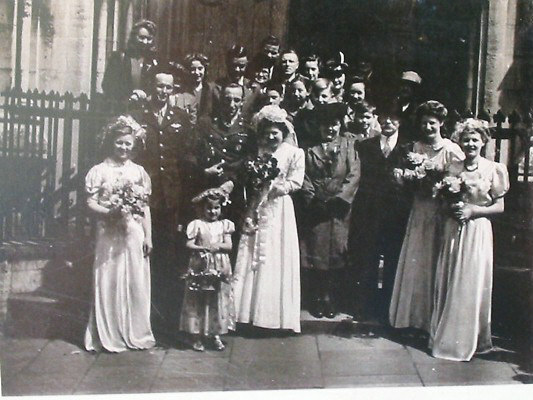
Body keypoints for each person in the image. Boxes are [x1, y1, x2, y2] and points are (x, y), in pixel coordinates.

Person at [429, 118, 509, 361]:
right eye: (466, 140)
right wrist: (451, 205)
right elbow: (442, 200)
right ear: (460, 143)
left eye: (475, 139)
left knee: (471, 281)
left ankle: (470, 339)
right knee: (452, 277)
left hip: (477, 230)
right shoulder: (454, 168)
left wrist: (473, 211)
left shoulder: (493, 169)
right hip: (454, 228)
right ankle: (446, 336)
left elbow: (500, 207)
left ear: (483, 141)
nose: (471, 143)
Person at [389, 101, 464, 333]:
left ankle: (435, 319)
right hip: (420, 209)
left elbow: (461, 181)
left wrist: (444, 184)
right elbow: (404, 181)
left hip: (441, 211)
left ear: (441, 123)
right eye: (424, 123)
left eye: (432, 123)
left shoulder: (451, 150)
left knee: (438, 260)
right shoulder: (415, 148)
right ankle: (414, 318)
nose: (428, 127)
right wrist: (407, 176)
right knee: (418, 260)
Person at [131, 64, 194, 334]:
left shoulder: (181, 117)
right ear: (151, 87)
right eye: (159, 86)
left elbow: (186, 158)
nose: (163, 92)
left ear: (173, 90)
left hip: (170, 196)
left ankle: (165, 318)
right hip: (145, 195)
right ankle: (141, 313)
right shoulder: (139, 115)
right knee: (143, 251)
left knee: (168, 254)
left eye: (168, 87)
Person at [84, 116, 156, 352]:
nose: (124, 148)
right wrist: (109, 211)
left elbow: (145, 207)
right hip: (109, 233)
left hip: (133, 232)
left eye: (128, 144)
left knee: (135, 281)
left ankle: (135, 332)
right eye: (119, 143)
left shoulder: (139, 172)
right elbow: (90, 203)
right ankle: (109, 332)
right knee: (109, 279)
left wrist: (148, 237)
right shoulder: (100, 170)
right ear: (111, 142)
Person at [232, 105, 305, 333]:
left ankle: (274, 316)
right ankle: (247, 313)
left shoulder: (294, 153)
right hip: (256, 205)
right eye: (267, 132)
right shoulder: (257, 153)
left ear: (284, 132)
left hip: (280, 208)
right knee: (252, 252)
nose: (271, 136)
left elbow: (296, 182)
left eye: (276, 132)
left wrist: (273, 187)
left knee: (276, 254)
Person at [347, 106, 411, 322]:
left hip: (396, 214)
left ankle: (389, 309)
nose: (388, 122)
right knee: (368, 258)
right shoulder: (366, 146)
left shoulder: (407, 148)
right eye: (383, 117)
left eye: (392, 118)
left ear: (400, 121)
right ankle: (366, 306)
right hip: (370, 211)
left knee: (393, 258)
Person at [300, 103, 360, 318]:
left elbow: (354, 175)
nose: (330, 129)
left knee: (337, 253)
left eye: (334, 124)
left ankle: (331, 298)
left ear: (340, 124)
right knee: (317, 253)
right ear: (319, 127)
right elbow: (303, 176)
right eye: (326, 125)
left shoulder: (349, 146)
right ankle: (318, 297)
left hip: (339, 211)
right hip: (317, 209)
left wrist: (340, 199)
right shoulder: (309, 149)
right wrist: (314, 199)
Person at [179, 182, 236, 352]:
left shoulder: (224, 225)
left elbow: (229, 246)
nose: (213, 212)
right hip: (200, 265)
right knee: (198, 299)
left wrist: (216, 246)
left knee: (216, 299)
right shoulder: (197, 224)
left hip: (219, 265)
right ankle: (196, 336)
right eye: (209, 208)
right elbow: (189, 244)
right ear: (202, 209)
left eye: (216, 208)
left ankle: (215, 334)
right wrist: (201, 248)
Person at [193, 83, 252, 229]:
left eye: (237, 100)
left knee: (231, 236)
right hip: (207, 191)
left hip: (234, 193)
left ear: (242, 102)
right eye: (227, 99)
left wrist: (233, 181)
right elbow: (190, 153)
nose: (232, 104)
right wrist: (204, 171)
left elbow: (250, 160)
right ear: (221, 100)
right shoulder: (205, 124)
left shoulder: (248, 128)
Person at [101, 20, 159, 104]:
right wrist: (131, 94)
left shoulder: (153, 62)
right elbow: (107, 85)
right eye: (141, 37)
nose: (145, 42)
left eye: (149, 39)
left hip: (144, 111)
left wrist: (146, 95)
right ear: (133, 37)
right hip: (121, 108)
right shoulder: (119, 58)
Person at [172, 53, 215, 124]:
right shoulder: (182, 91)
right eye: (193, 69)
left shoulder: (210, 90)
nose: (196, 72)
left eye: (200, 68)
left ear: (205, 69)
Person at [393, 70, 423, 143]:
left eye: (410, 86)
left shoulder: (419, 110)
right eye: (403, 85)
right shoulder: (391, 106)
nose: (405, 88)